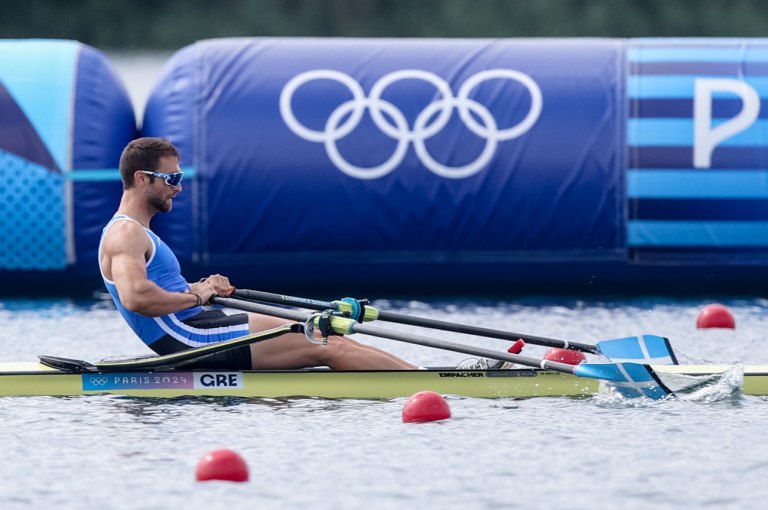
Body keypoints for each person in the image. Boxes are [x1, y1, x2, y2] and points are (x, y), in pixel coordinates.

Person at [99, 137, 416, 370]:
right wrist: (196, 296)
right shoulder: (125, 233)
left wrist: (204, 288)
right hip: (191, 338)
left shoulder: (138, 233)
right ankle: (429, 387)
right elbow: (137, 298)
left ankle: (417, 377)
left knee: (323, 328)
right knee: (323, 342)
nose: (179, 188)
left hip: (201, 323)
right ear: (142, 178)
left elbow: (162, 291)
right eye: (173, 179)